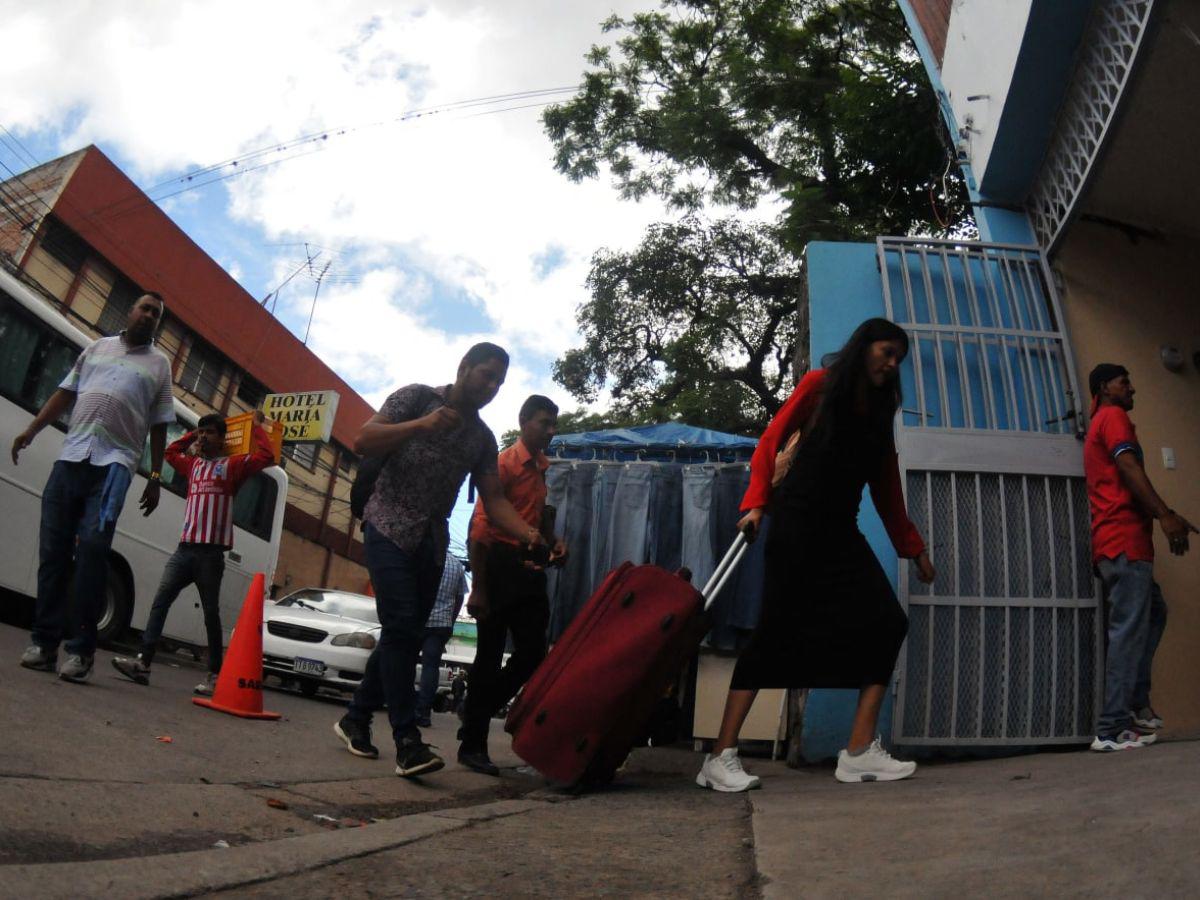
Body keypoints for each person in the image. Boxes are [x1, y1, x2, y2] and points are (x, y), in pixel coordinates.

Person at [696, 318, 936, 792]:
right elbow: (770, 441)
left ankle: (859, 750)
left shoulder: (881, 410)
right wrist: (756, 504)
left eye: (898, 360)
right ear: (864, 345)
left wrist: (913, 548)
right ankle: (719, 756)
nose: (892, 365)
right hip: (797, 523)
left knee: (888, 621)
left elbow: (886, 486)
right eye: (887, 352)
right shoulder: (820, 386)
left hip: (840, 532)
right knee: (774, 632)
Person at [332, 343, 546, 778]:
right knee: (402, 625)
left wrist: (530, 534)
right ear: (463, 368)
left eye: (499, 382)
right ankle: (408, 741)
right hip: (387, 521)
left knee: (405, 634)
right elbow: (362, 440)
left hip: (430, 539)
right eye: (485, 375)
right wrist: (421, 425)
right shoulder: (416, 398)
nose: (491, 387)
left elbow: (495, 500)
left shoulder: (482, 438)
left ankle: (355, 717)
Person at [13, 292, 174, 683]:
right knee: (53, 552)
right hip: (71, 458)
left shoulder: (159, 365)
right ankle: (44, 644)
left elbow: (159, 424)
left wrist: (154, 477)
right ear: (130, 311)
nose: (149, 316)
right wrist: (31, 431)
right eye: (145, 308)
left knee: (93, 551)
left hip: (114, 466)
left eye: (156, 314)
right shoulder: (96, 349)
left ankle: (81, 651)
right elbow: (65, 394)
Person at [111, 411, 276, 694]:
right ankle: (143, 663)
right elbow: (170, 451)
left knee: (210, 613)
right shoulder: (193, 465)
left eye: (210, 432)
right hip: (184, 549)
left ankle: (214, 675)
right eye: (201, 432)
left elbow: (266, 457)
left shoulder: (232, 466)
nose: (203, 436)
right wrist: (193, 434)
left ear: (222, 439)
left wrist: (257, 428)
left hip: (210, 556)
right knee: (161, 601)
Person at [1084, 363, 1195, 752]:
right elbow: (1128, 466)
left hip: (1118, 544)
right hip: (1124, 543)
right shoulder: (1112, 416)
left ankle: (1133, 703)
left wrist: (1168, 514)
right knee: (1128, 631)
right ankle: (1111, 728)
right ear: (1104, 387)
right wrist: (1164, 515)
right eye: (1124, 382)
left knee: (1154, 613)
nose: (1132, 389)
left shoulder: (1102, 421)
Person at [458, 394, 567, 776]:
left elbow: (536, 519)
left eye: (554, 425)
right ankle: (472, 745)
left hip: (529, 571)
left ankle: (475, 711)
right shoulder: (504, 463)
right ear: (523, 422)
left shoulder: (540, 468)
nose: (550, 431)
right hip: (498, 566)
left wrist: (555, 543)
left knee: (533, 654)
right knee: (487, 657)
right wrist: (479, 588)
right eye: (543, 423)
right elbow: (480, 530)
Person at [415, 551, 468, 727]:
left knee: (405, 661)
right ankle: (423, 713)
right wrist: (450, 621)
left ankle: (403, 706)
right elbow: (460, 597)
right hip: (441, 624)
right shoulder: (457, 566)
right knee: (431, 667)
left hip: (417, 618)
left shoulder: (423, 556)